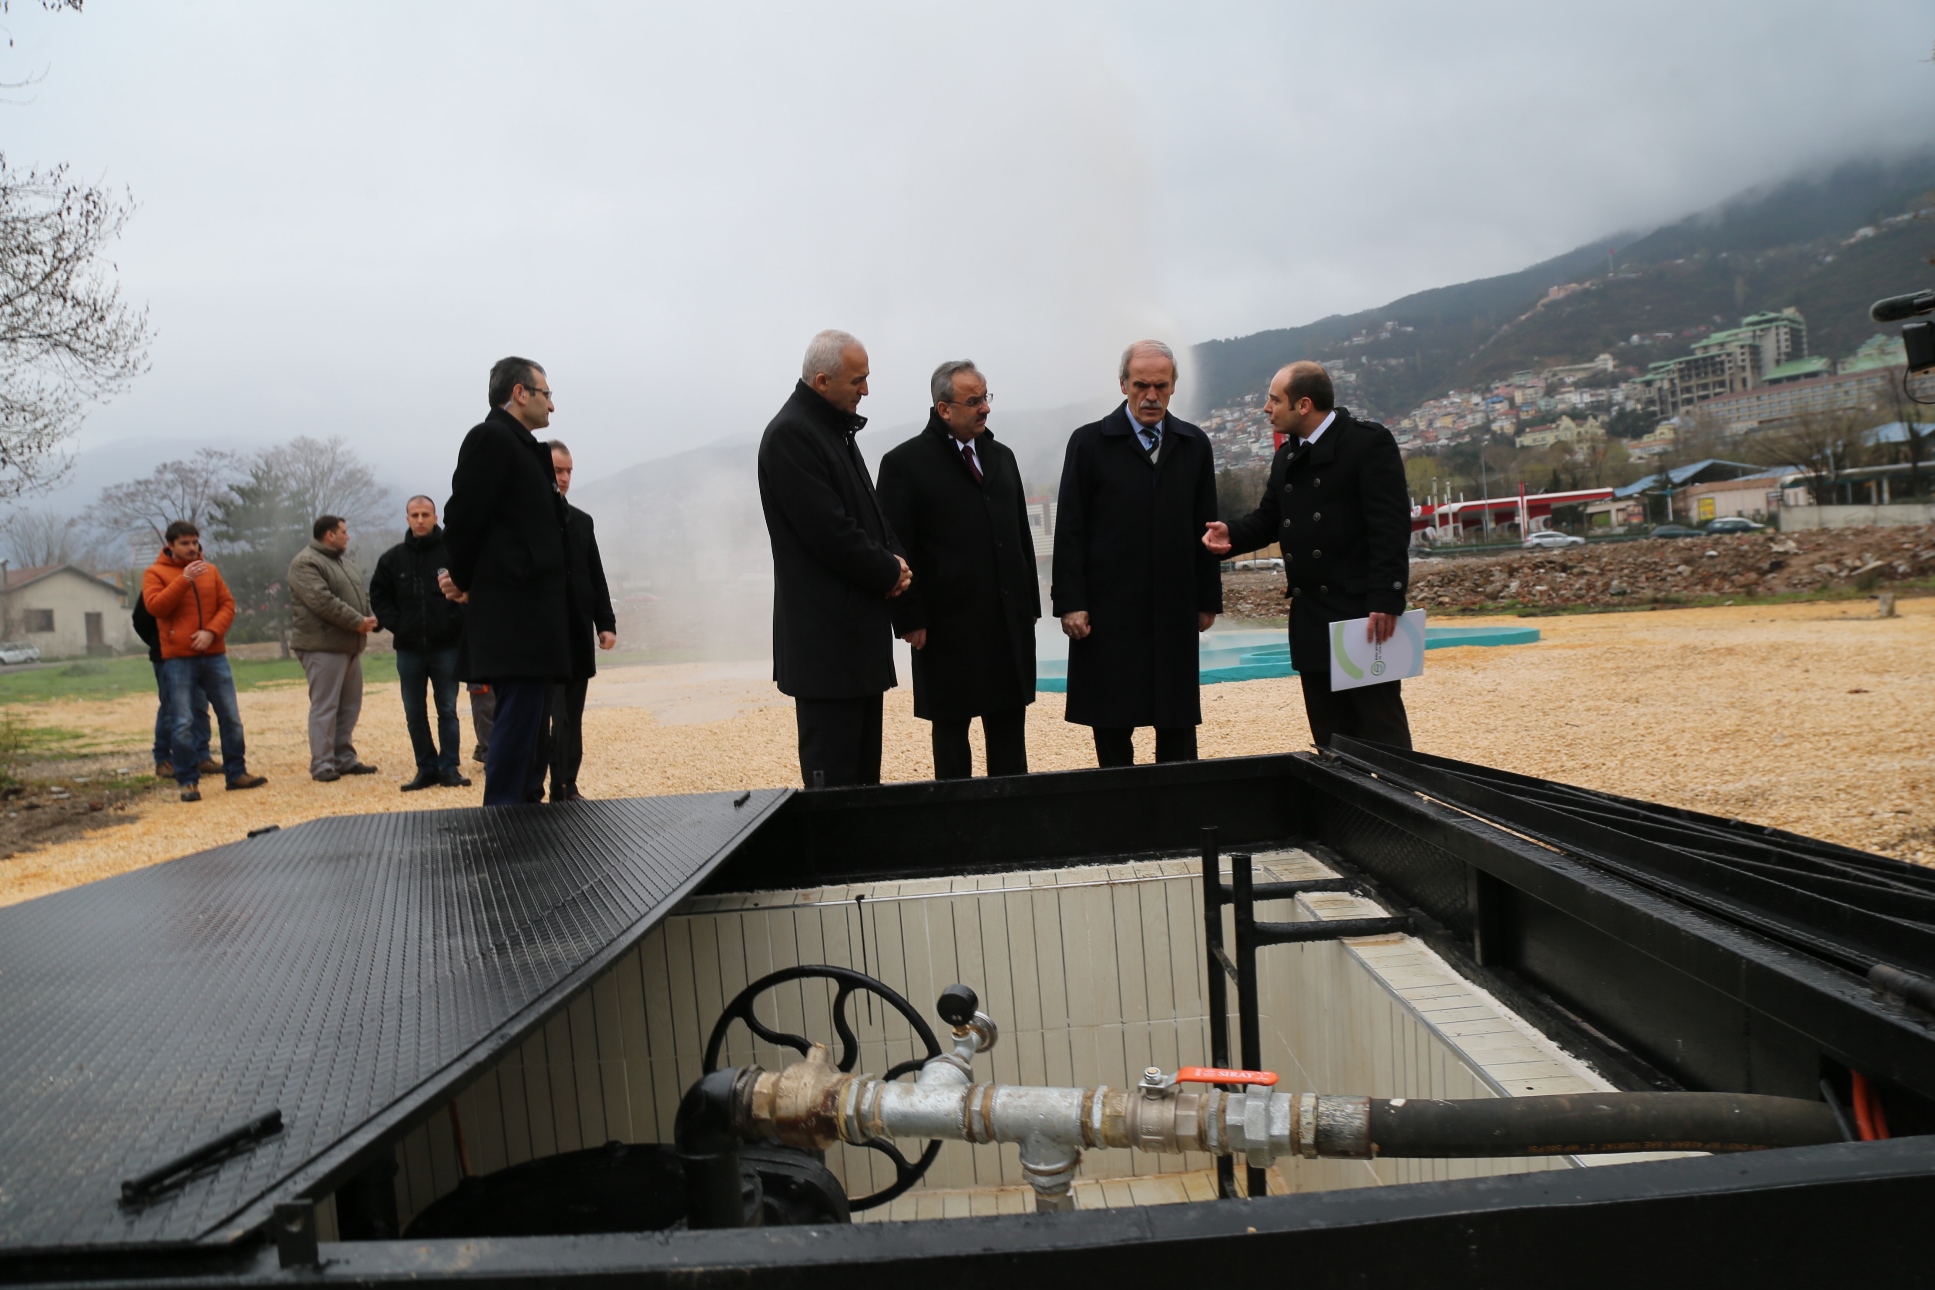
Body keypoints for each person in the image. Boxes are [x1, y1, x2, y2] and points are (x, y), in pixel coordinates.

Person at [1203, 361, 1412, 749]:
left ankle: (1398, 792)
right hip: (1312, 615)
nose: (1266, 408)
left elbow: (1390, 526)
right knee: (1331, 738)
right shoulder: (1287, 456)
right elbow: (1269, 520)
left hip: (1361, 616)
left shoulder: (1367, 443)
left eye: (1274, 399)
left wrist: (1387, 598)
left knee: (1382, 732)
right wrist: (1229, 534)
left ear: (1303, 405)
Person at [1052, 340, 1221, 767]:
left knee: (1177, 726)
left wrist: (1207, 600)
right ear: (1123, 384)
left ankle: (1178, 805)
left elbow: (1207, 528)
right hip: (1107, 611)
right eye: (1141, 384)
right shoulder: (1088, 443)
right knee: (1112, 724)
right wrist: (1071, 602)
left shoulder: (1194, 444)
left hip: (1173, 608)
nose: (1151, 395)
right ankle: (1119, 806)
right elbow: (1070, 528)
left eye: (1161, 385)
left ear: (1174, 386)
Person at [757, 329, 911, 789]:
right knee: (836, 789)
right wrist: (888, 570)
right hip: (826, 647)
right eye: (857, 380)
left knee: (863, 785)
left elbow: (871, 514)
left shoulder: (832, 430)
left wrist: (896, 559)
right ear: (822, 381)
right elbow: (829, 532)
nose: (866, 390)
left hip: (854, 641)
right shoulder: (792, 435)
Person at [877, 360, 1039, 779]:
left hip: (1006, 622)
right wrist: (909, 618)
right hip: (945, 628)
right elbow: (895, 546)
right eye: (974, 401)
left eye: (986, 397)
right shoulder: (904, 464)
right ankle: (957, 817)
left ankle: (1011, 813)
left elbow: (1021, 537)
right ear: (944, 409)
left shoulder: (1002, 457)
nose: (985, 408)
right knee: (951, 737)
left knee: (1009, 735)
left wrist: (1030, 608)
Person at [440, 356, 572, 806]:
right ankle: (502, 823)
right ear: (519, 393)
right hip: (515, 616)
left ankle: (526, 819)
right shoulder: (491, 439)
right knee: (515, 734)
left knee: (533, 736)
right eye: (546, 394)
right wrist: (462, 579)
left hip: (534, 616)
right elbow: (462, 518)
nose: (551, 406)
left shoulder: (524, 448)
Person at [141, 521, 268, 802]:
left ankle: (236, 773)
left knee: (231, 718)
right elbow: (156, 606)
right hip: (178, 659)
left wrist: (211, 632)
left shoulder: (211, 571)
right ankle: (188, 781)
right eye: (185, 543)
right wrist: (183, 580)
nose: (192, 548)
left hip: (214, 655)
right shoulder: (155, 573)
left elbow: (228, 605)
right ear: (170, 545)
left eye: (195, 542)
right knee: (183, 722)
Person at [370, 495, 471, 791]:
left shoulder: (452, 554)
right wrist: (398, 624)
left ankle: (449, 767)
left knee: (448, 709)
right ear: (407, 519)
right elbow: (379, 596)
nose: (420, 520)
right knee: (414, 711)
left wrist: (455, 621)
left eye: (425, 514)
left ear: (435, 517)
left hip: (446, 646)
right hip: (409, 648)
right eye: (414, 515)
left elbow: (469, 589)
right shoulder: (392, 559)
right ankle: (425, 767)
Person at [542, 440, 617, 802]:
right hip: (542, 636)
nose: (565, 477)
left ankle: (566, 784)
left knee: (572, 714)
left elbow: (595, 575)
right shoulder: (529, 522)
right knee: (547, 715)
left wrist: (606, 623)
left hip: (576, 633)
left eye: (569, 470)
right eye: (558, 470)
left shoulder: (582, 522)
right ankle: (538, 785)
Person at [288, 515, 380, 783]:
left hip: (349, 645)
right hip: (323, 646)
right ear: (330, 535)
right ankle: (322, 764)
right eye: (343, 532)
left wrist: (371, 617)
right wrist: (357, 621)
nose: (347, 536)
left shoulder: (344, 564)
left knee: (349, 706)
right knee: (325, 706)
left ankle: (344, 758)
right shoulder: (306, 563)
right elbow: (322, 601)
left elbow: (361, 596)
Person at [132, 595, 212, 780]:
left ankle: (201, 756)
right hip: (165, 658)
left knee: (200, 705)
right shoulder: (156, 585)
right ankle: (163, 759)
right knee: (170, 708)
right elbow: (140, 620)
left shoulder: (196, 583)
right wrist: (159, 641)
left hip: (195, 654)